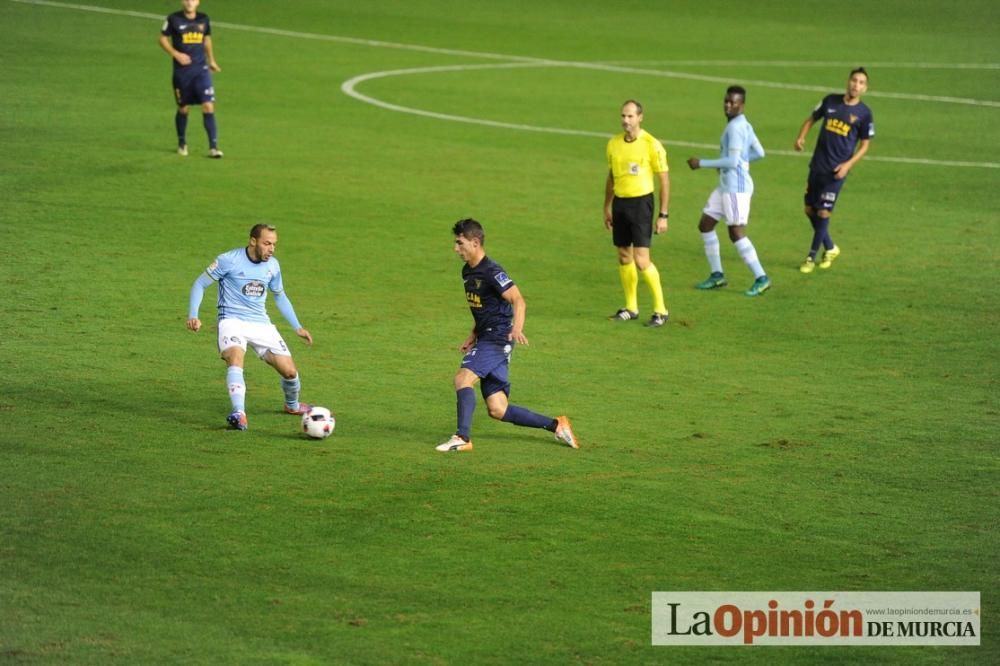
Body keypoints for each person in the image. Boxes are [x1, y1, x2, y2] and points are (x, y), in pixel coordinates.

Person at [436, 219, 579, 452]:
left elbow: (518, 300)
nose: (456, 249)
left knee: (463, 379)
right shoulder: (467, 272)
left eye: (460, 243)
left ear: (474, 242)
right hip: (486, 336)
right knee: (497, 408)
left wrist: (517, 328)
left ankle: (462, 437)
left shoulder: (493, 271)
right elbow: (482, 307)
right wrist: (473, 333)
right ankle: (556, 425)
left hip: (498, 337)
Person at [186, 224, 313, 430]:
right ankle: (239, 413)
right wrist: (193, 315)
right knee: (235, 359)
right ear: (253, 241)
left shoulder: (273, 266)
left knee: (290, 372)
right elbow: (200, 284)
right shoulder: (229, 260)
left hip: (261, 323)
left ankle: (292, 405)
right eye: (267, 243)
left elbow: (279, 296)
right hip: (232, 321)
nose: (271, 249)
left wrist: (297, 326)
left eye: (274, 244)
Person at [687, 85, 771, 297]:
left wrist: (701, 163)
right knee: (705, 224)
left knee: (736, 232)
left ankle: (761, 277)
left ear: (741, 105)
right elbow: (759, 153)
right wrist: (740, 162)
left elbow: (733, 161)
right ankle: (717, 275)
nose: (728, 105)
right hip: (726, 185)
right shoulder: (744, 124)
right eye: (726, 101)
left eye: (733, 102)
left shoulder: (734, 128)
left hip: (736, 188)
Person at [794, 67, 875, 273]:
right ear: (848, 82)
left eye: (861, 82)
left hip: (837, 171)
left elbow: (865, 145)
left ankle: (811, 257)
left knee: (823, 211)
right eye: (854, 80)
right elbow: (811, 119)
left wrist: (848, 165)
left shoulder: (864, 114)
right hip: (817, 166)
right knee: (809, 210)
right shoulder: (830, 101)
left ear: (865, 88)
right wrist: (801, 137)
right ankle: (830, 247)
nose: (856, 85)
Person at [603, 100, 671, 327]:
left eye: (631, 116)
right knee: (624, 256)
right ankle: (631, 308)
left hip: (642, 204)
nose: (626, 120)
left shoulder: (651, 144)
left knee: (642, 260)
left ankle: (661, 310)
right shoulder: (613, 144)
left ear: (640, 117)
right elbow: (612, 176)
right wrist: (607, 206)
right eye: (623, 115)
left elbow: (664, 180)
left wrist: (663, 215)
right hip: (620, 203)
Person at [159, 0, 223, 158]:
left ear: (198, 2)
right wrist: (176, 54)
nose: (189, 2)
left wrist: (212, 60)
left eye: (193, 0)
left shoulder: (204, 19)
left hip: (201, 71)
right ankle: (182, 143)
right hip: (182, 73)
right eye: (187, 0)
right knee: (183, 108)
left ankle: (213, 147)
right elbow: (162, 39)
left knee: (208, 105)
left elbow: (206, 39)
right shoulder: (173, 19)